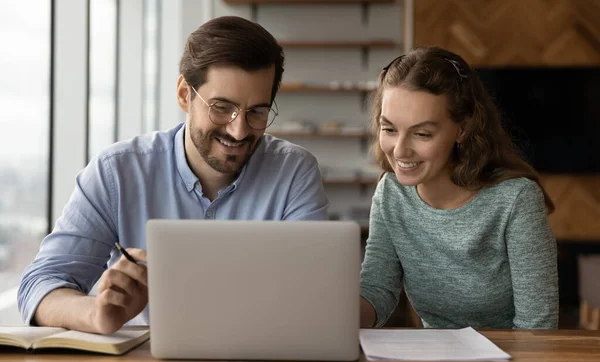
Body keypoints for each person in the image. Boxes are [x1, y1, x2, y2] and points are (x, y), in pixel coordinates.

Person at [18, 16, 329, 334]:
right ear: (184, 94)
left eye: (257, 112)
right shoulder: (117, 172)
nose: (238, 130)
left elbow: (314, 296)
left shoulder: (294, 173)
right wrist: (96, 313)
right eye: (222, 107)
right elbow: (39, 286)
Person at [359, 46, 558, 329]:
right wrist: (332, 312)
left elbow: (538, 326)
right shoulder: (391, 194)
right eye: (389, 129)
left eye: (422, 134)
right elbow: (377, 292)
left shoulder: (516, 200)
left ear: (462, 129)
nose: (400, 150)